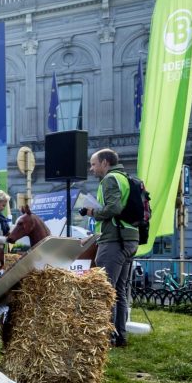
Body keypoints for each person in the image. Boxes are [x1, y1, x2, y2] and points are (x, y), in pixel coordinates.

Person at [79, 148, 140, 347]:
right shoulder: (126, 178)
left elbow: (113, 208)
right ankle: (119, 336)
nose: (91, 168)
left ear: (105, 162)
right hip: (129, 238)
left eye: (94, 164)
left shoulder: (110, 180)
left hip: (114, 239)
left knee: (105, 289)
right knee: (119, 291)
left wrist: (91, 212)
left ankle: (107, 338)